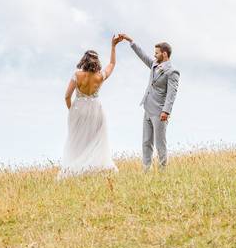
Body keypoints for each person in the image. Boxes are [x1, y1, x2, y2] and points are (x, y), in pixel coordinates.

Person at [57, 35, 124, 178]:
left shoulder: (77, 75)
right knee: (95, 139)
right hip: (96, 110)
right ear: (97, 61)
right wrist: (113, 47)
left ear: (84, 60)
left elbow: (67, 96)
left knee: (77, 139)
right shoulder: (100, 76)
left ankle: (75, 170)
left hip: (78, 109)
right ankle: (93, 169)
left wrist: (72, 110)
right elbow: (112, 64)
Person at [118, 34, 179, 170]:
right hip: (147, 108)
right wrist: (131, 41)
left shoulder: (172, 72)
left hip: (160, 112)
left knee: (160, 143)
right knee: (146, 141)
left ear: (164, 54)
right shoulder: (154, 64)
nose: (154, 54)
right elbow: (142, 55)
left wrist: (166, 111)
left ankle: (163, 169)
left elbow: (172, 93)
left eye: (156, 53)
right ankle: (146, 169)